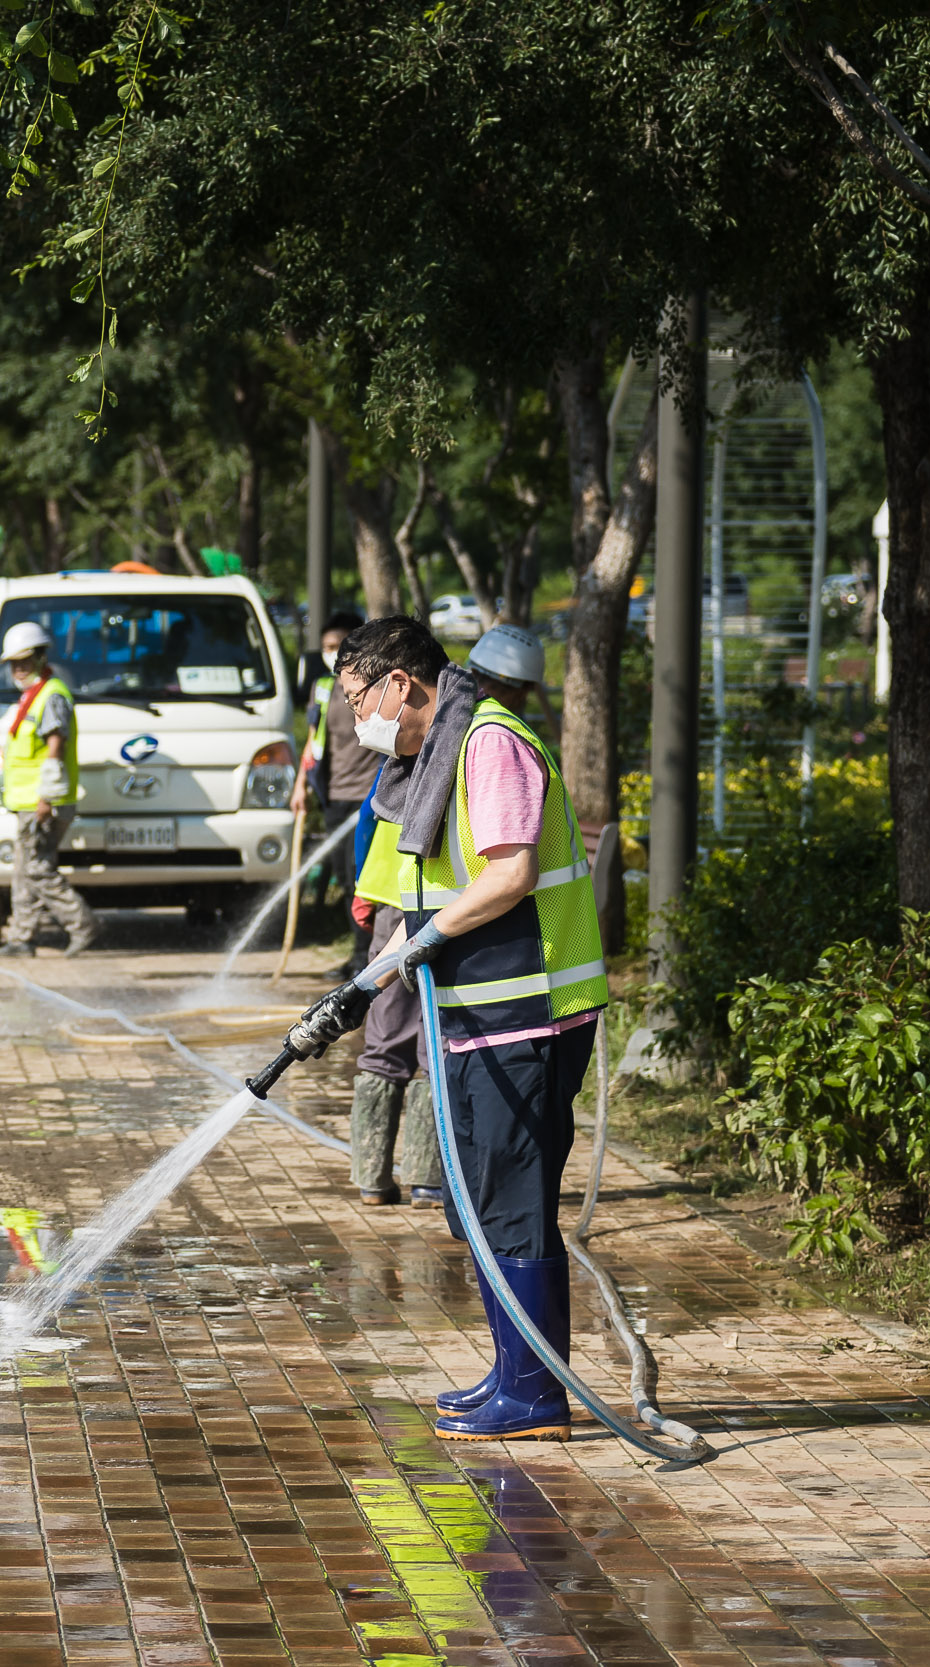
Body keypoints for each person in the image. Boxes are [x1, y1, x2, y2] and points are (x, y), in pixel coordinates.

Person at [335, 613, 607, 1442]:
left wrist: (422, 941)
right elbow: (403, 893)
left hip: (526, 1012)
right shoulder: (428, 756)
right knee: (479, 1198)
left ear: (402, 683)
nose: (357, 718)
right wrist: (365, 978)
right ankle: (515, 1369)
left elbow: (512, 872)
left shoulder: (488, 741)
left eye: (359, 698)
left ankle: (535, 1393)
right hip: (474, 1013)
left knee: (514, 1198)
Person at [345, 764, 447, 1209]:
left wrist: (363, 885)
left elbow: (370, 815)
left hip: (392, 894)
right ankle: (427, 1181)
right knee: (437, 1042)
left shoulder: (404, 743)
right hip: (453, 900)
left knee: (385, 1037)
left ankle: (373, 1178)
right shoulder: (474, 740)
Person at [0, 619, 98, 958]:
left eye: (25, 660)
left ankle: (82, 924)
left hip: (42, 802)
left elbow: (55, 746)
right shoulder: (33, 697)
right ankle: (22, 938)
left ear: (41, 657)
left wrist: (45, 797)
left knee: (37, 869)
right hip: (29, 802)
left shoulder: (51, 696)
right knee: (26, 868)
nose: (19, 668)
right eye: (14, 662)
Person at [289, 610, 371, 976]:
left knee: (363, 881)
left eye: (340, 645)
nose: (333, 653)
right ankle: (358, 955)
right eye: (327, 647)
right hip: (336, 797)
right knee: (345, 876)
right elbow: (313, 743)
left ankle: (365, 960)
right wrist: (300, 787)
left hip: (371, 798)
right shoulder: (322, 688)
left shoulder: (375, 684)